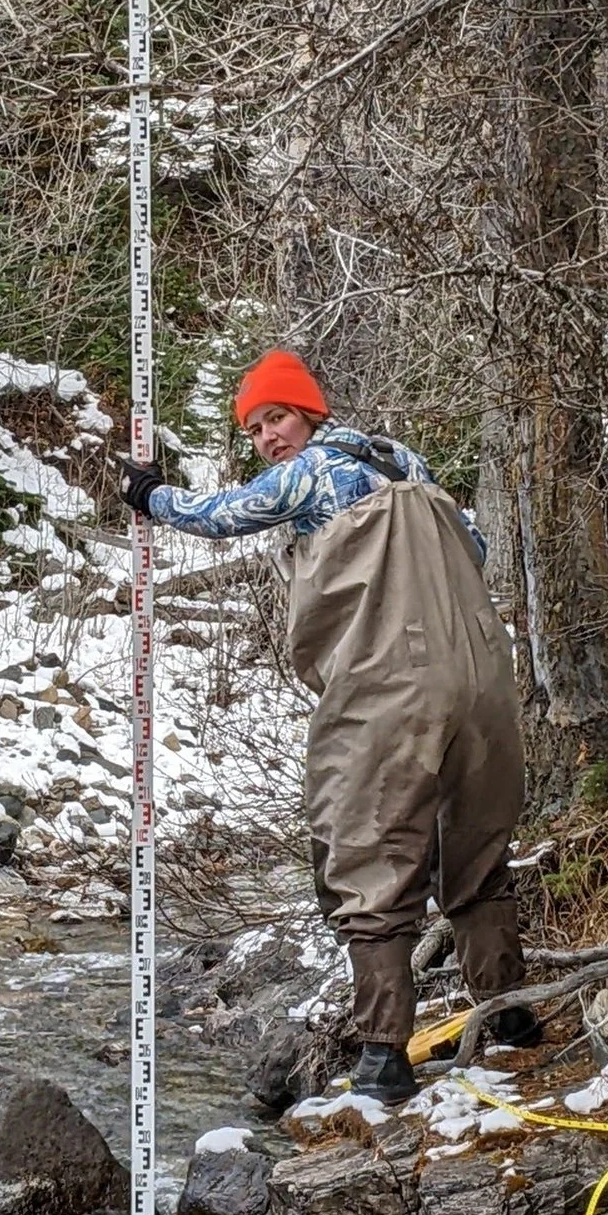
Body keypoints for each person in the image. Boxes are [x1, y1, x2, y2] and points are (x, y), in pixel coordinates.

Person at [121, 348, 535, 1104]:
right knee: (475, 856)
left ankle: (383, 1057)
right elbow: (472, 547)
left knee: (368, 852)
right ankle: (509, 1024)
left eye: (275, 417)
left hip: (390, 680)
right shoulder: (402, 458)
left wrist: (153, 498)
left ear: (310, 410)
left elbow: (223, 516)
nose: (267, 437)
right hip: (482, 679)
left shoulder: (309, 472)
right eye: (253, 428)